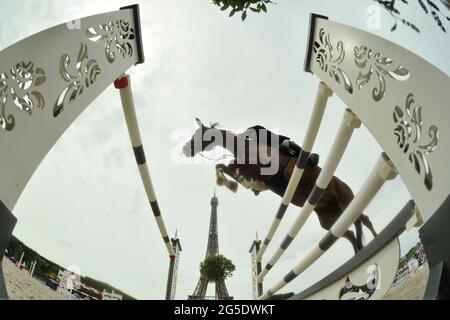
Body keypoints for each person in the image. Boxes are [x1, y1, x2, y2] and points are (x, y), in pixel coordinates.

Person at [244, 125, 319, 166]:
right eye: (249, 135)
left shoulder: (262, 132)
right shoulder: (255, 144)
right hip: (273, 154)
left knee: (286, 143)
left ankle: (308, 157)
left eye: (251, 133)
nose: (251, 136)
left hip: (280, 143)